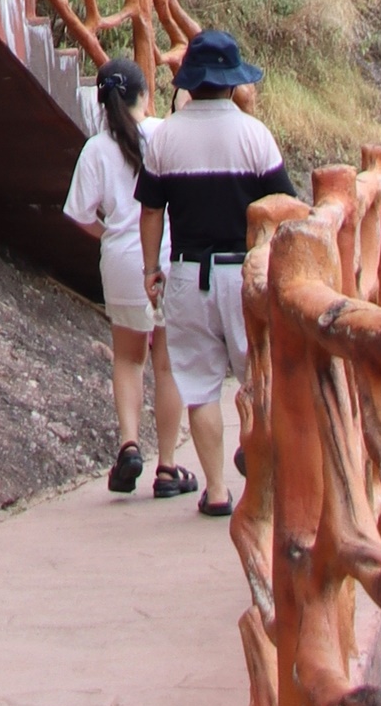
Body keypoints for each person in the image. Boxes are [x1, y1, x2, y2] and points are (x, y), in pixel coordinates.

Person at [141, 29, 287, 516]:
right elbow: (283, 205)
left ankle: (218, 491)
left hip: (188, 274)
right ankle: (261, 473)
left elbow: (151, 211)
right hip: (246, 274)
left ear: (192, 80)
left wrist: (150, 268)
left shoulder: (166, 136)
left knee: (200, 387)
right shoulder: (254, 135)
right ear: (230, 82)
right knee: (259, 379)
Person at [61, 57, 190, 497]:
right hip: (167, 257)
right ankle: (168, 468)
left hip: (120, 262)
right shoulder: (164, 135)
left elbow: (79, 214)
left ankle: (129, 445)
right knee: (167, 365)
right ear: (144, 96)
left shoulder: (96, 149)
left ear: (101, 102)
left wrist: (110, 234)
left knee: (129, 359)